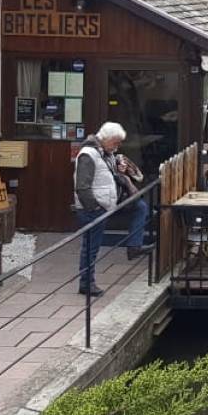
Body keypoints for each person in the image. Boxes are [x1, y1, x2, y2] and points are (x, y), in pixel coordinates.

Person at [73, 122, 150, 297]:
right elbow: (82, 187)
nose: (118, 146)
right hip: (95, 208)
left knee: (140, 206)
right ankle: (86, 284)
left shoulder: (106, 153)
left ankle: (134, 246)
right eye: (115, 142)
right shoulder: (88, 155)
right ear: (105, 139)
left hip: (108, 203)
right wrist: (94, 208)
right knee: (91, 247)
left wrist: (120, 169)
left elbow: (106, 176)